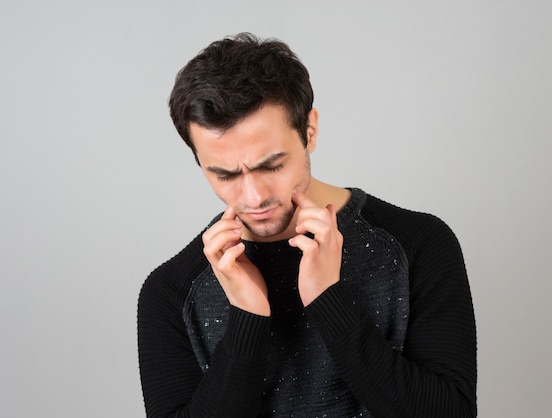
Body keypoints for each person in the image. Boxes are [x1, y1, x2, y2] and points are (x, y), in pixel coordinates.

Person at [137, 32, 477, 418]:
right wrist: (247, 319)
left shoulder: (419, 245)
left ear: (310, 131)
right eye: (224, 175)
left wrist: (329, 301)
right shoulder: (170, 292)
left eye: (271, 165)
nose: (253, 196)